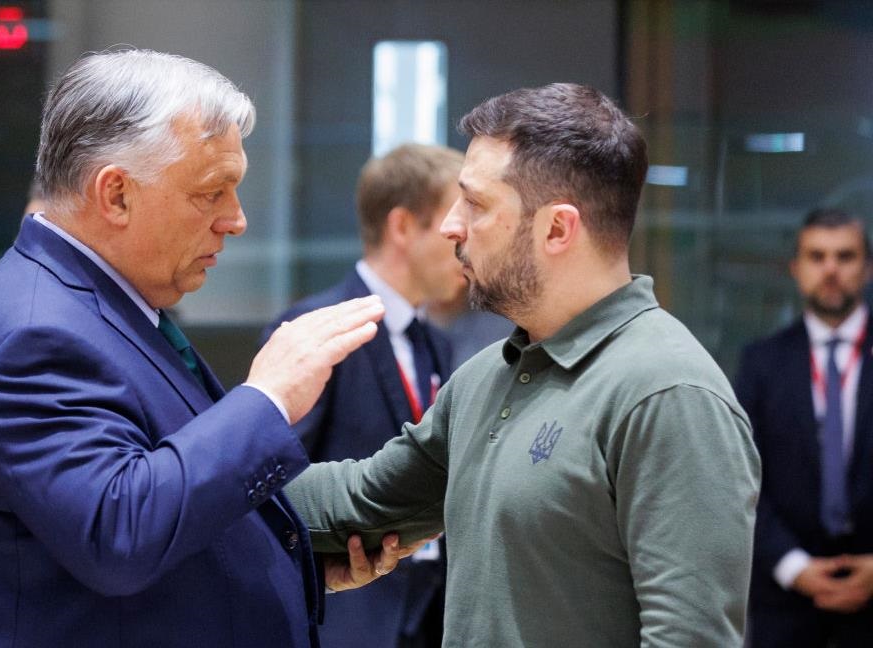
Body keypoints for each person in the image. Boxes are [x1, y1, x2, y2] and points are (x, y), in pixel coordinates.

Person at [0, 49, 413, 648]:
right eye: (212, 192)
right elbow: (119, 533)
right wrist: (269, 396)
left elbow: (165, 491)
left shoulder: (105, 306)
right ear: (116, 195)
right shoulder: (32, 335)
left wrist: (290, 557)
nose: (235, 220)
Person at [286, 83, 762, 647]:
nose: (452, 226)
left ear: (557, 229)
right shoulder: (486, 376)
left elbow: (690, 638)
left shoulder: (668, 393)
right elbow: (362, 500)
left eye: (476, 204)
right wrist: (215, 459)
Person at [263, 143, 465, 648]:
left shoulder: (436, 342)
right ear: (403, 226)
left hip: (429, 611)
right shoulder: (314, 331)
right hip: (347, 613)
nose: (463, 240)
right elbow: (271, 480)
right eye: (451, 222)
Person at [735, 208, 873, 647]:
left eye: (845, 256)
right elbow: (740, 477)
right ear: (796, 269)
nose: (831, 269)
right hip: (784, 603)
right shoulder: (760, 364)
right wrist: (793, 566)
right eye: (817, 256)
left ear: (867, 267)